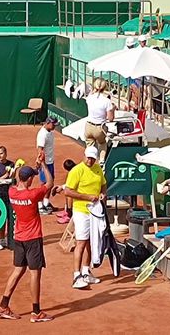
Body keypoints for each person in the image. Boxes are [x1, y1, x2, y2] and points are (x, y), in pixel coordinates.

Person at [0, 161, 54, 323]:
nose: (33, 180)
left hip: (18, 239)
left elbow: (14, 180)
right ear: (27, 180)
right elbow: (50, 183)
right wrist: (44, 166)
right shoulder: (32, 194)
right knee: (35, 274)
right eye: (32, 178)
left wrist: (19, 170)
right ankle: (36, 312)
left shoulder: (12, 192)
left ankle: (2, 305)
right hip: (33, 239)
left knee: (18, 271)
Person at [64, 146, 107, 290]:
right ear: (84, 156)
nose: (90, 160)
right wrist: (87, 197)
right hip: (81, 211)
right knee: (81, 242)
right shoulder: (77, 171)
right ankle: (76, 275)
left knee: (91, 242)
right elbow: (68, 191)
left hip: (95, 212)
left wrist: (102, 194)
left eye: (92, 158)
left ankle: (86, 271)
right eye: (88, 157)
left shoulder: (97, 169)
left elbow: (103, 184)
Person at [0, 145, 15, 251]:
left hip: (8, 194)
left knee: (5, 217)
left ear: (6, 153)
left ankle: (2, 238)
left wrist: (13, 173)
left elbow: (13, 179)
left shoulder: (11, 164)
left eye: (1, 153)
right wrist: (6, 175)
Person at [85, 78, 115, 164]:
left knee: (89, 145)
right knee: (102, 143)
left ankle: (88, 161)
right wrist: (113, 109)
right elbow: (110, 118)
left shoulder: (89, 98)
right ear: (104, 88)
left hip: (88, 126)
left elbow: (92, 95)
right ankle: (101, 161)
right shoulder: (107, 101)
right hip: (99, 128)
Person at [36, 116, 58, 214]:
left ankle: (46, 202)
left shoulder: (50, 132)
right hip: (45, 163)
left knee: (51, 182)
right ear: (48, 123)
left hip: (50, 161)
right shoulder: (42, 134)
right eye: (53, 124)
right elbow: (40, 150)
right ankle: (40, 205)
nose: (54, 126)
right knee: (44, 184)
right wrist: (40, 162)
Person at [53, 159, 77, 225]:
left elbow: (72, 185)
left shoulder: (74, 172)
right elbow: (70, 184)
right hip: (77, 189)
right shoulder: (74, 170)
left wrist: (62, 187)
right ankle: (66, 211)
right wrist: (62, 187)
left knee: (69, 194)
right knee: (67, 192)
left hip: (82, 192)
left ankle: (69, 215)